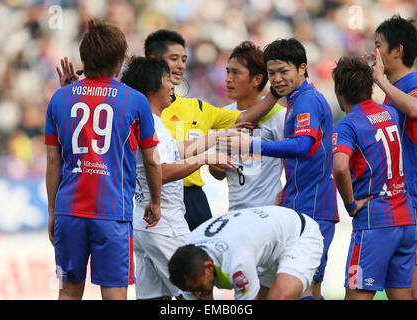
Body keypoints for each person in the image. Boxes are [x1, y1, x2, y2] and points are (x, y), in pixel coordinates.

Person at [45, 19, 162, 300]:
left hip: (69, 212)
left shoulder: (59, 98)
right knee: (114, 293)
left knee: (69, 293)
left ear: (84, 57)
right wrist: (155, 201)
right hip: (112, 214)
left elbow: (52, 162)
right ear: (120, 60)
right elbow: (152, 160)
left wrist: (53, 212)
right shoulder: (135, 101)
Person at [220, 38, 338, 300]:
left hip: (314, 206)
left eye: (283, 71)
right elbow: (243, 120)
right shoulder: (295, 99)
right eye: (271, 73)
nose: (277, 78)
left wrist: (252, 145)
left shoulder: (306, 101)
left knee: (304, 287)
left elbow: (301, 146)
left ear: (302, 68)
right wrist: (275, 90)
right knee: (304, 286)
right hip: (301, 201)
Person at [120, 56, 240, 300]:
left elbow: (179, 149)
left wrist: (218, 137)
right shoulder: (152, 125)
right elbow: (161, 170)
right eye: (167, 79)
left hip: (142, 225)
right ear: (152, 87)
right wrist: (204, 160)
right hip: (165, 223)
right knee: (199, 291)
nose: (173, 84)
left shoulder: (143, 122)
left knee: (155, 298)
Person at [143, 30, 280, 231]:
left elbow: (244, 119)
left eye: (184, 59)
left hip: (195, 199)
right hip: (153, 198)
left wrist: (278, 90)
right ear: (153, 61)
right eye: (174, 59)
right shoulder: (136, 106)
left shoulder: (200, 108)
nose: (181, 65)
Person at [332, 56, 416, 300]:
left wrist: (350, 204)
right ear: (369, 86)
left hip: (375, 222)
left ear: (339, 90)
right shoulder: (390, 112)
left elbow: (339, 167)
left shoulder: (348, 125)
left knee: (357, 295)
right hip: (405, 219)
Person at [366, 15, 417, 300]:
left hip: (415, 200)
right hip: (396, 199)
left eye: (378, 45)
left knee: (415, 289)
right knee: (400, 288)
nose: (373, 53)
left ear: (397, 51)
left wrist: (379, 81)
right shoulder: (391, 92)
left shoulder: (414, 84)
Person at [168, 205, 324, 300]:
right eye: (191, 290)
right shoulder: (186, 270)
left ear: (209, 266)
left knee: (277, 298)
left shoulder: (236, 262)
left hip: (298, 235)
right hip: (265, 247)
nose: (196, 294)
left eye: (197, 288)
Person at [208, 41, 286, 211]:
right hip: (235, 212)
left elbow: (295, 162)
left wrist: (288, 192)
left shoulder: (279, 116)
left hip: (269, 212)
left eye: (236, 73)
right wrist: (214, 167)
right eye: (227, 72)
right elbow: (217, 174)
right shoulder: (222, 115)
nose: (228, 79)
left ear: (257, 79)